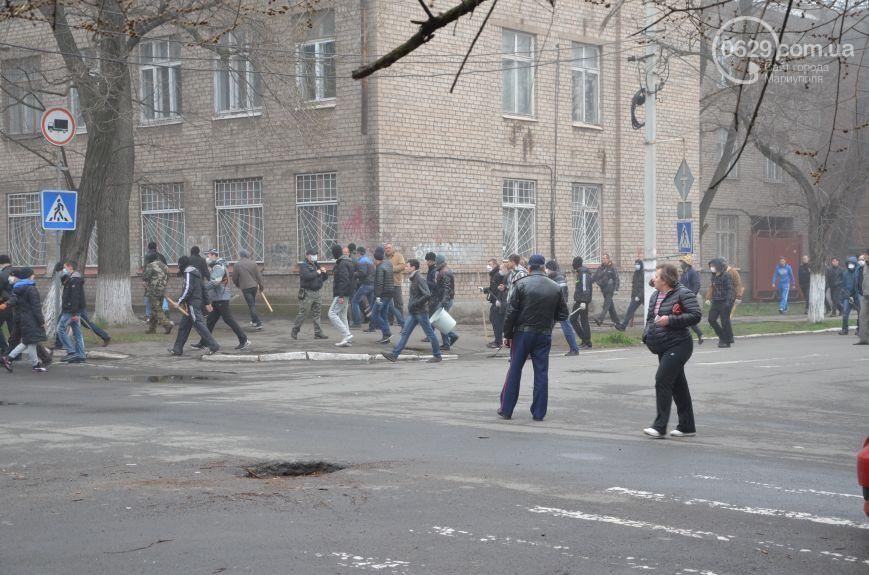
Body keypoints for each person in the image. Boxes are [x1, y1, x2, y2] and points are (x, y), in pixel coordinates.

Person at [498, 254, 569, 421]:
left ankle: (506, 409)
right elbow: (563, 314)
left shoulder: (520, 284)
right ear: (544, 268)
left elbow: (511, 312)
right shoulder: (555, 287)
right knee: (541, 373)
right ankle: (538, 413)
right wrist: (549, 320)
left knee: (515, 370)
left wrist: (507, 335)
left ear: (529, 267)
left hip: (522, 333)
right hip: (544, 333)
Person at [641, 263, 702, 438]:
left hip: (679, 344)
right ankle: (687, 426)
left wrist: (671, 320)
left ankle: (660, 426)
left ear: (666, 280)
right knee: (678, 385)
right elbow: (651, 318)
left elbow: (695, 315)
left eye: (657, 276)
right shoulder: (655, 295)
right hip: (663, 344)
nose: (654, 279)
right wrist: (646, 335)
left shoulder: (683, 293)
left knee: (662, 380)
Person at [381, 259, 442, 363]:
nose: (405, 268)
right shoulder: (414, 278)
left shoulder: (419, 278)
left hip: (421, 312)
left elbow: (427, 294)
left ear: (413, 267)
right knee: (405, 333)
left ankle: (437, 355)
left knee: (430, 333)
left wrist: (415, 303)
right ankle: (394, 355)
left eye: (407, 266)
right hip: (414, 312)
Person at [193, 249, 250, 351]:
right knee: (210, 321)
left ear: (214, 255)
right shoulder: (218, 265)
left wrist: (203, 289)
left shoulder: (218, 266)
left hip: (221, 298)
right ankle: (204, 342)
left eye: (208, 255)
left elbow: (215, 282)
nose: (207, 258)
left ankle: (244, 340)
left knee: (229, 320)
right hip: (218, 298)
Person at [170, 255, 219, 356]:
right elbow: (203, 288)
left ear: (182, 265)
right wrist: (207, 302)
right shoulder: (196, 272)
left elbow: (188, 289)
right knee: (183, 327)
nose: (178, 268)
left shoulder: (188, 272)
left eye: (178, 266)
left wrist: (178, 302)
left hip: (192, 304)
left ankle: (213, 345)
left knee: (199, 324)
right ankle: (177, 348)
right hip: (190, 305)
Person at [1, 268, 48, 373]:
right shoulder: (31, 289)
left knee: (29, 342)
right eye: (33, 274)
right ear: (29, 276)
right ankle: (9, 358)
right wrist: (42, 321)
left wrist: (6, 304)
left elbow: (14, 300)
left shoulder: (17, 288)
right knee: (29, 341)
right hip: (31, 319)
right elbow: (36, 307)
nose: (34, 276)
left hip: (22, 318)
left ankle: (33, 364)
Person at [293, 248, 329, 341]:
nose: (314, 257)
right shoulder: (304, 266)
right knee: (303, 313)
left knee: (317, 313)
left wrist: (325, 273)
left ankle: (318, 333)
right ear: (307, 256)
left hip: (317, 293)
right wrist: (316, 273)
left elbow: (322, 278)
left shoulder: (317, 265)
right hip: (307, 293)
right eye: (312, 255)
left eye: (315, 255)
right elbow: (306, 277)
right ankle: (295, 330)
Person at [545, 260, 580, 356]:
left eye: (547, 269)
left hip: (559, 308)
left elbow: (562, 295)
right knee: (547, 329)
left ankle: (574, 349)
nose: (546, 270)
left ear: (551, 269)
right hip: (555, 307)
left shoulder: (559, 278)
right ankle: (574, 348)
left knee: (565, 328)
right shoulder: (553, 278)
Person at [57, 260, 87, 364]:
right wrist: (62, 275)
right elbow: (64, 283)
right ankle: (81, 354)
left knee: (60, 329)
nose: (63, 270)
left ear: (70, 267)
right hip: (73, 310)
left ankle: (71, 352)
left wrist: (74, 313)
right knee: (77, 332)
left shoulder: (75, 280)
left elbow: (75, 298)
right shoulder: (71, 278)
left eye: (64, 268)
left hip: (71, 310)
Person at [328, 244, 355, 347]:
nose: (333, 254)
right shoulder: (348, 262)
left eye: (333, 252)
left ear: (336, 253)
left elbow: (344, 279)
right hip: (347, 293)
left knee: (332, 313)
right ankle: (347, 340)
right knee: (343, 315)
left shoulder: (343, 263)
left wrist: (340, 295)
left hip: (342, 293)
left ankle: (347, 334)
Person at [232, 249, 265, 330]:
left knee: (251, 305)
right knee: (252, 303)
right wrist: (261, 287)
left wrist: (237, 284)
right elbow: (259, 276)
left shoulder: (237, 265)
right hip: (254, 287)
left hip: (245, 287)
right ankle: (254, 321)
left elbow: (234, 277)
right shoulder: (253, 263)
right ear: (247, 255)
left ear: (241, 255)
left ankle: (258, 323)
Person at [143, 252, 174, 335]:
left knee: (157, 309)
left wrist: (146, 285)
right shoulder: (165, 266)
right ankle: (152, 329)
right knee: (155, 309)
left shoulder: (150, 265)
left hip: (153, 290)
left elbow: (146, 278)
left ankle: (167, 324)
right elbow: (168, 278)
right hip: (162, 290)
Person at [705, 258, 734, 348]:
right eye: (710, 266)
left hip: (724, 301)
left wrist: (728, 302)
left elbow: (730, 289)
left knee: (725, 322)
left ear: (718, 266)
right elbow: (712, 288)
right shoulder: (713, 276)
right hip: (716, 301)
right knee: (711, 319)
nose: (711, 268)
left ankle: (727, 341)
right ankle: (722, 336)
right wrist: (708, 298)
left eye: (713, 266)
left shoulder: (726, 275)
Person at [434, 254, 459, 351]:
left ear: (439, 262)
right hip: (444, 299)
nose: (435, 263)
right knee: (441, 322)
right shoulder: (443, 270)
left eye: (436, 262)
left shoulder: (444, 272)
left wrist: (444, 301)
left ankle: (452, 336)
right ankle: (446, 344)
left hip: (445, 300)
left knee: (441, 322)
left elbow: (446, 288)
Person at [371, 246, 394, 344]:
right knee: (383, 314)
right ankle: (385, 338)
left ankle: (387, 332)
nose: (373, 262)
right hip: (390, 293)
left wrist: (377, 296)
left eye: (374, 260)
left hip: (383, 294)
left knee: (375, 314)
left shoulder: (380, 268)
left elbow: (379, 283)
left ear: (377, 260)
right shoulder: (388, 263)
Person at [570, 257, 594, 349]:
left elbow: (585, 288)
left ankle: (587, 342)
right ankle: (585, 340)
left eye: (573, 263)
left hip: (582, 301)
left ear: (577, 263)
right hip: (579, 300)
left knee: (578, 319)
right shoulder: (580, 272)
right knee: (577, 319)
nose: (572, 264)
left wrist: (584, 301)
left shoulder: (583, 273)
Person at [679, 255, 703, 344]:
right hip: (683, 297)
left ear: (687, 263)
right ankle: (699, 334)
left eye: (683, 262)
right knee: (686, 318)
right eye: (681, 262)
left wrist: (692, 295)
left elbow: (697, 284)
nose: (681, 264)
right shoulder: (684, 273)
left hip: (689, 298)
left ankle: (687, 337)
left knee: (686, 317)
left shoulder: (692, 272)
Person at [143, 241, 169, 322]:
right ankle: (164, 312)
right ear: (156, 247)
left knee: (148, 297)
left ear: (148, 247)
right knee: (162, 296)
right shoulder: (161, 256)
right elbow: (166, 268)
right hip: (162, 281)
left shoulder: (148, 256)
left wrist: (144, 280)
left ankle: (148, 316)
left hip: (152, 281)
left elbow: (146, 269)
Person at [593, 253, 622, 327]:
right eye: (602, 258)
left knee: (606, 305)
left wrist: (616, 289)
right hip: (604, 290)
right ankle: (617, 322)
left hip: (610, 290)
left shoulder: (612, 268)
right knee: (611, 307)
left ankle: (600, 319)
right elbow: (595, 277)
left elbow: (616, 279)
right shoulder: (600, 268)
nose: (603, 260)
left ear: (608, 259)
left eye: (605, 258)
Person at [484, 258, 507, 349]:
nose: (488, 266)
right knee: (494, 319)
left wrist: (500, 299)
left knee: (497, 320)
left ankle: (498, 341)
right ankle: (498, 340)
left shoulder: (498, 275)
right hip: (496, 299)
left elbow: (501, 288)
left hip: (499, 301)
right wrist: (486, 290)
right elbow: (493, 287)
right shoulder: (494, 274)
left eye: (490, 264)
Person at [350, 246, 375, 328]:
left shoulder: (362, 261)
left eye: (356, 253)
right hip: (372, 285)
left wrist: (354, 274)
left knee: (354, 301)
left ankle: (357, 322)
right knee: (371, 305)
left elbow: (363, 273)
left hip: (366, 284)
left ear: (359, 253)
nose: (356, 254)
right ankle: (373, 323)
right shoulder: (369, 260)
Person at [617, 259, 645, 331]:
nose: (636, 265)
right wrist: (633, 296)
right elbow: (634, 286)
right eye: (635, 264)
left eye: (638, 264)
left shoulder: (643, 273)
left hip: (643, 296)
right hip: (635, 296)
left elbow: (645, 287)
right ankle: (623, 326)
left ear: (641, 265)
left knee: (650, 311)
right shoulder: (635, 273)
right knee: (630, 310)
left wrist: (639, 296)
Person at [385, 243, 406, 327]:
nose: (388, 249)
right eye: (386, 248)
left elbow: (403, 266)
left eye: (389, 248)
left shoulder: (398, 256)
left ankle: (400, 321)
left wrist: (391, 269)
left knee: (398, 303)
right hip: (386, 284)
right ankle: (390, 320)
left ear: (392, 248)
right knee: (389, 304)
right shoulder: (383, 258)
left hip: (396, 283)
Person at [840, 256, 860, 335]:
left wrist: (854, 295)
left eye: (852, 264)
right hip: (847, 296)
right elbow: (843, 286)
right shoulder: (845, 274)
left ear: (855, 264)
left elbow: (859, 285)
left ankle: (859, 329)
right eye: (849, 264)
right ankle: (845, 329)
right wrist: (846, 295)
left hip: (857, 296)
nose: (850, 265)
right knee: (845, 313)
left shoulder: (858, 273)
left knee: (860, 313)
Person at [0, 255, 14, 353]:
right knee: (13, 329)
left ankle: (4, 348)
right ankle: (15, 353)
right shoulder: (18, 272)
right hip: (16, 304)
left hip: (4, 304)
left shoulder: (2, 274)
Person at [856, 249, 869, 345]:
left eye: (866, 255)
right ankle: (864, 339)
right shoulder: (864, 266)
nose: (864, 257)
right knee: (862, 316)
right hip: (865, 295)